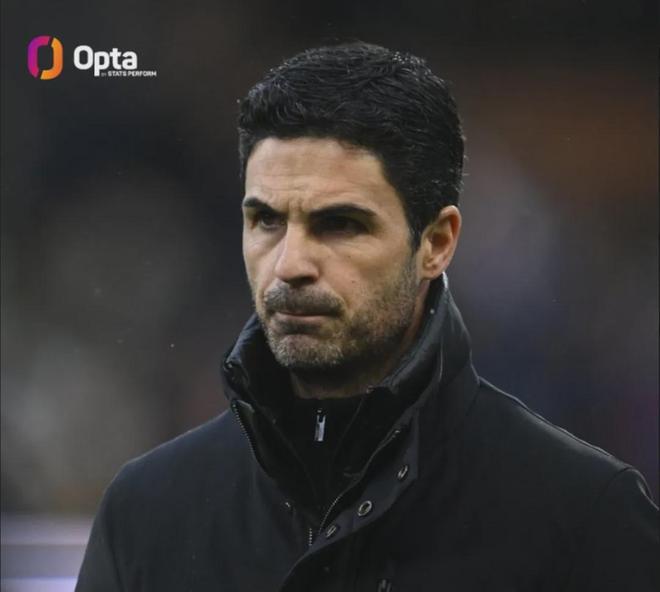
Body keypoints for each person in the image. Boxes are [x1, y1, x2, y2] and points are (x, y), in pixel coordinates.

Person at [76, 42, 658, 592]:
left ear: (436, 243)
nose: (290, 264)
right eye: (266, 220)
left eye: (340, 224)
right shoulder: (147, 514)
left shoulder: (587, 518)